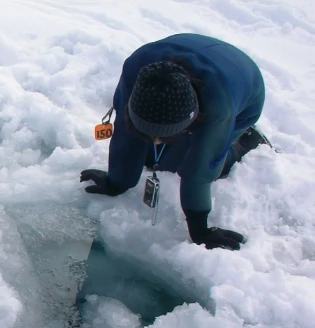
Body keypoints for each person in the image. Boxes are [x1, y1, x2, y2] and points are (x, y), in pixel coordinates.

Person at [80, 34, 270, 250]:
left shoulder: (219, 107)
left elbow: (200, 170)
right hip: (191, 54)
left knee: (184, 160)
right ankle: (159, 133)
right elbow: (124, 133)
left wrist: (200, 230)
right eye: (149, 132)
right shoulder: (137, 71)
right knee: (151, 157)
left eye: (163, 135)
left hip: (242, 87)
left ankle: (245, 142)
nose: (156, 141)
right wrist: (117, 182)